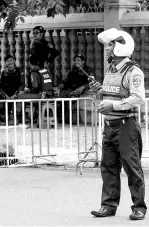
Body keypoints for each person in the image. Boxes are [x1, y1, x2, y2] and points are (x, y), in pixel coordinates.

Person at [89, 28, 146, 220]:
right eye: (107, 45)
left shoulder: (133, 71)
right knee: (108, 167)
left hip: (126, 126)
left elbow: (138, 98)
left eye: (111, 45)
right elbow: (106, 96)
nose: (107, 49)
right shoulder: (110, 70)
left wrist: (113, 105)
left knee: (132, 167)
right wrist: (98, 92)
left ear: (121, 47)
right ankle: (108, 205)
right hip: (109, 127)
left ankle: (139, 207)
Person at [0, 55, 25, 124]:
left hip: (16, 94)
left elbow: (22, 84)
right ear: (5, 63)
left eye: (11, 60)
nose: (10, 62)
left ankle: (16, 118)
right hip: (6, 95)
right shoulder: (3, 72)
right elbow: (1, 86)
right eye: (8, 61)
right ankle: (2, 118)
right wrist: (5, 95)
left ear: (14, 61)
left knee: (18, 100)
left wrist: (15, 95)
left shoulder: (19, 71)